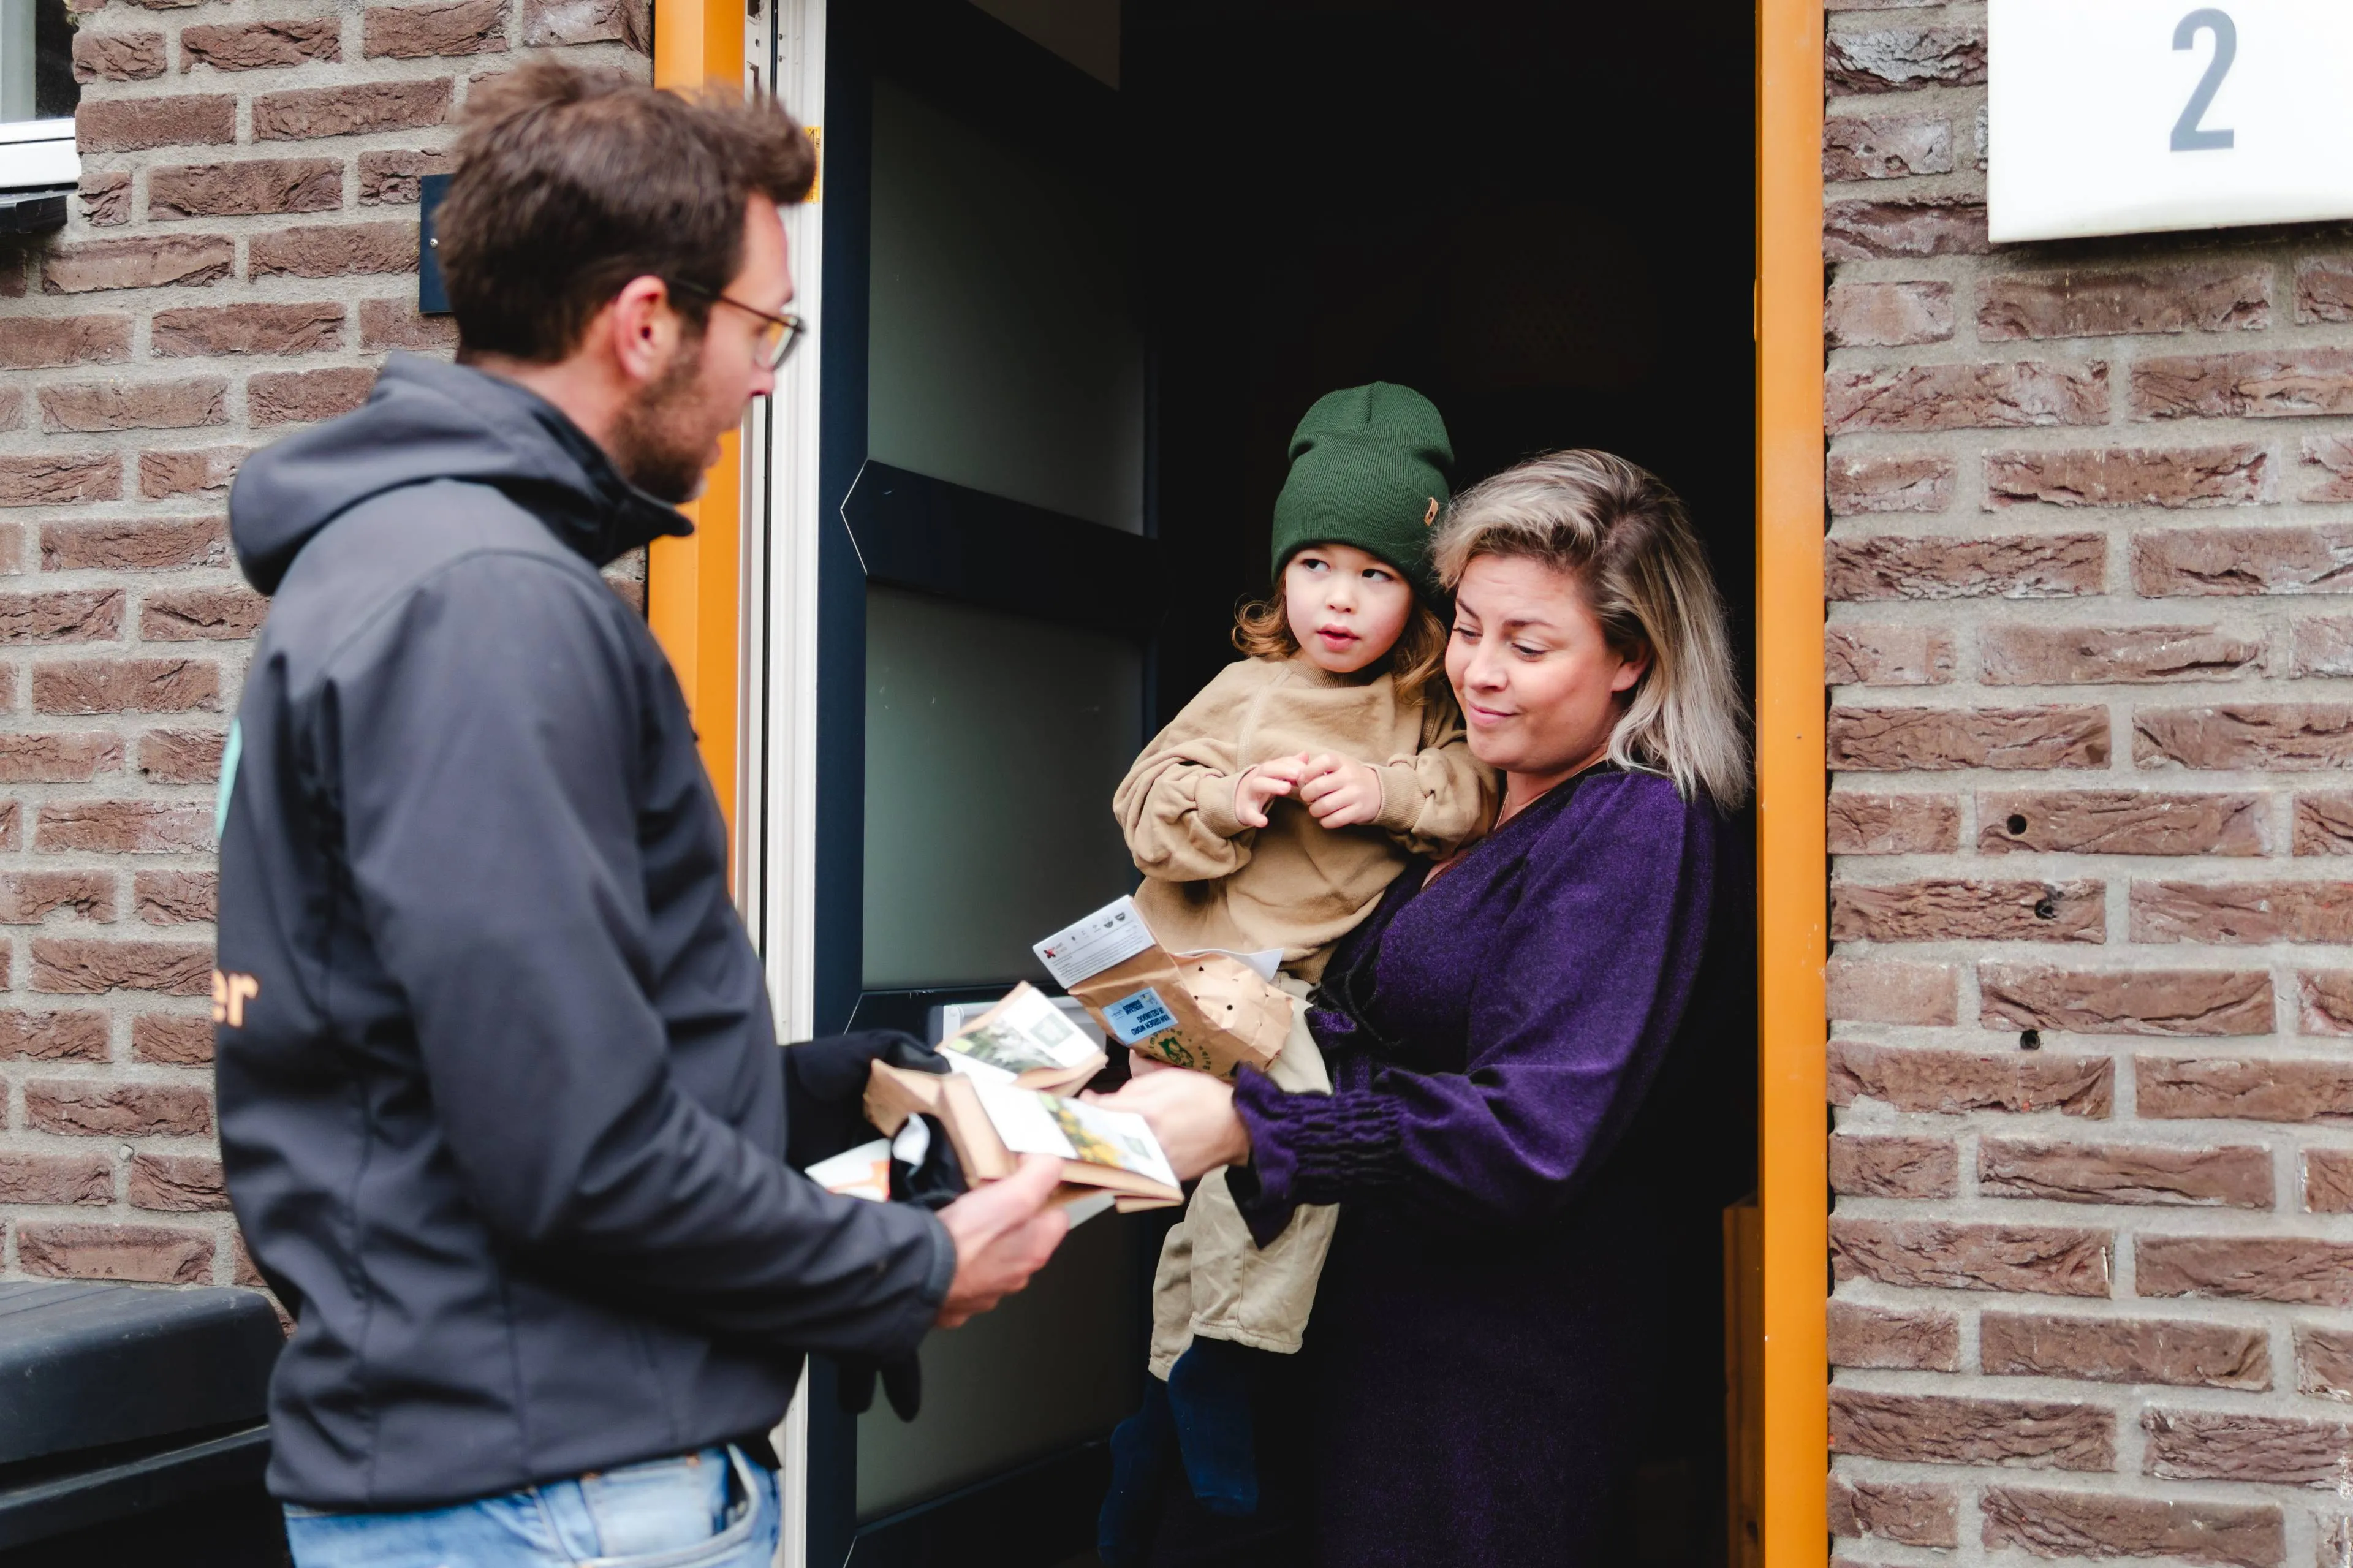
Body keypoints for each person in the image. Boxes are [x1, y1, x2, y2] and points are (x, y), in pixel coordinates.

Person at [212, 61, 1067, 1568]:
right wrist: (910, 1263)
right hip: (558, 1505)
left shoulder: (415, 571)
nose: (769, 375)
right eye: (766, 327)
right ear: (646, 319)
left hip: (513, 1480)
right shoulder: (485, 609)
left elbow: (453, 1060)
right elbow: (573, 1152)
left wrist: (831, 1087)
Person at [1095, 450, 1752, 1566]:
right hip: (1364, 1355)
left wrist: (1261, 1127)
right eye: (1467, 626)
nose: (1478, 671)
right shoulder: (1468, 805)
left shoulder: (1640, 832)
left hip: (1479, 1399)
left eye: (1528, 644)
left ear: (1632, 658)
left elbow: (1525, 1138)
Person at [1102, 384, 1495, 1532]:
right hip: (1174, 973)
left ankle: (1164, 1400)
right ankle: (1229, 1362)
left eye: (1375, 574)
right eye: (1316, 565)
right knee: (1297, 1147)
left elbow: (1475, 792)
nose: (1340, 597)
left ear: (1417, 594)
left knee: (1209, 1209)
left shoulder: (1424, 707)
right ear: (1281, 578)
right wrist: (1228, 800)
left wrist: (1384, 792)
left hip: (1277, 990)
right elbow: (1141, 804)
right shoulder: (1245, 692)